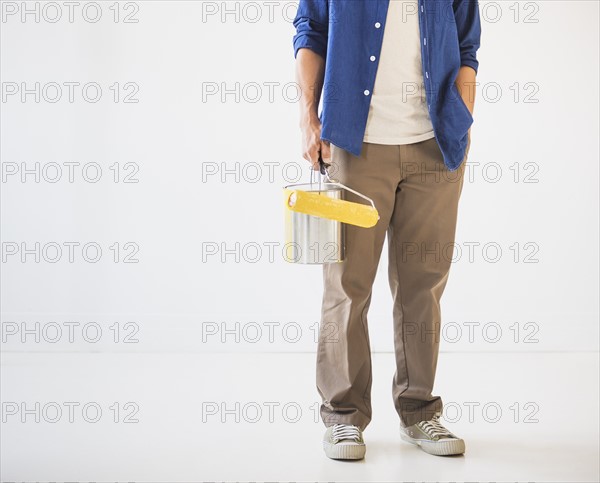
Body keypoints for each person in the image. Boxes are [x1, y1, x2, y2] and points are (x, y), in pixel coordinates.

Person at [292, 0, 481, 460]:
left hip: (434, 147)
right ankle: (343, 417)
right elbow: (310, 33)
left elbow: (468, 46)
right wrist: (308, 118)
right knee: (346, 286)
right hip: (355, 146)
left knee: (423, 286)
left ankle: (419, 412)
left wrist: (460, 119)